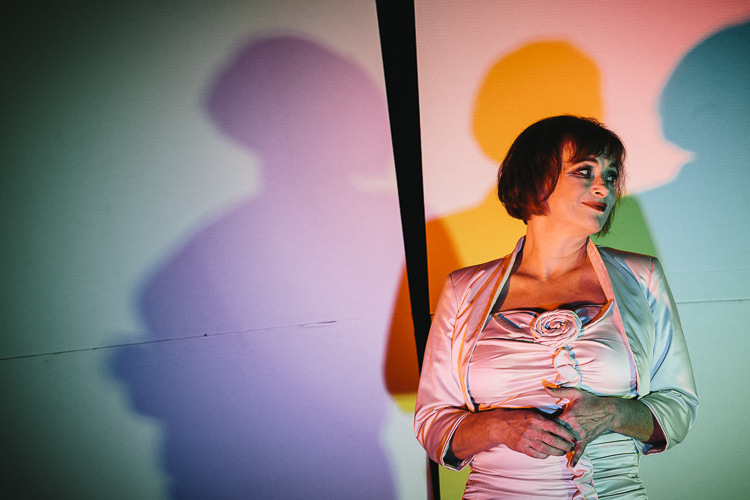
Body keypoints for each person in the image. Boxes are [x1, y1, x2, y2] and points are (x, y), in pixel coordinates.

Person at [414, 115, 698, 499]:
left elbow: (679, 406)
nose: (604, 187)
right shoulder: (464, 289)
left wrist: (614, 413)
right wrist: (499, 427)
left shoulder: (641, 276)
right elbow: (432, 423)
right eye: (584, 171)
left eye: (611, 175)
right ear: (535, 177)